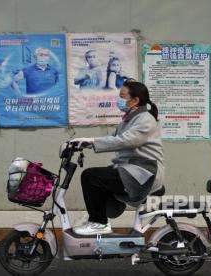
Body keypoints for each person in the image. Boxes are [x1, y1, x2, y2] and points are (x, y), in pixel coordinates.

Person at [70, 81, 164, 235]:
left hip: (145, 173)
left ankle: (99, 222)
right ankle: (97, 217)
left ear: (135, 100)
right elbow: (113, 139)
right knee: (101, 176)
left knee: (90, 176)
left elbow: (126, 141)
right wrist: (84, 143)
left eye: (122, 96)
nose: (118, 100)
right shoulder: (129, 119)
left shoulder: (145, 119)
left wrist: (92, 142)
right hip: (133, 169)